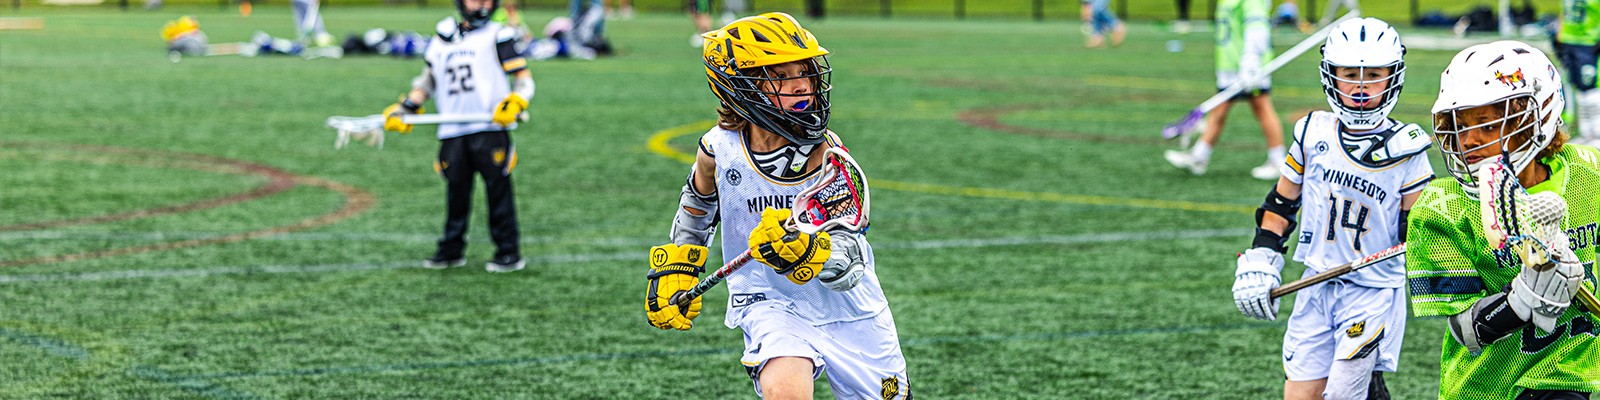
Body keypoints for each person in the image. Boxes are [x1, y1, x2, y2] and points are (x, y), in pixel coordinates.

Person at [644, 12, 910, 399]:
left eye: (804, 72)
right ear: (740, 86)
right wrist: (682, 261)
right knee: (785, 389)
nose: (801, 84)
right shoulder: (718, 149)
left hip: (850, 309)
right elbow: (697, 201)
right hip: (770, 303)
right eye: (781, 76)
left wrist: (809, 251)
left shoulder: (826, 153)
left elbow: (850, 261)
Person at [1230, 18, 1430, 400]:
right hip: (1317, 284)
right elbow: (1281, 203)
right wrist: (1261, 258)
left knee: (1341, 395)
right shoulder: (1312, 133)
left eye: (1373, 75)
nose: (1360, 86)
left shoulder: (1408, 150)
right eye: (1349, 74)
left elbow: (1417, 230)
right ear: (1330, 76)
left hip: (1372, 292)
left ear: (1393, 77)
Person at [1409, 40, 1599, 399]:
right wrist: (1523, 297)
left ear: (1535, 121)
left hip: (1565, 374)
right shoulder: (1442, 206)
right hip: (1484, 385)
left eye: (1486, 126)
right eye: (1460, 126)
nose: (1468, 141)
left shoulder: (1588, 172)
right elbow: (1466, 330)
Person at [384, 0, 534, 273]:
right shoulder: (442, 38)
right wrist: (407, 107)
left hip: (489, 128)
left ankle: (508, 251)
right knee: (456, 192)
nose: (482, 5)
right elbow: (428, 81)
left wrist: (517, 100)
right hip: (452, 129)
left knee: (498, 191)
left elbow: (523, 78)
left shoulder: (498, 35)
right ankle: (451, 249)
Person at [1165, 0, 1285, 180]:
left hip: (1248, 66)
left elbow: (1257, 28)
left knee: (1261, 106)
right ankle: (1199, 156)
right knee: (1220, 108)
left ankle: (1278, 160)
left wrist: (1251, 60)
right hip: (1229, 65)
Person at [1557, 0, 1600, 146]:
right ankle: (1586, 132)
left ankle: (1597, 131)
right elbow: (1564, 12)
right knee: (1577, 87)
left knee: (1590, 85)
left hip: (1589, 41)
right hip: (1569, 40)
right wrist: (1559, 34)